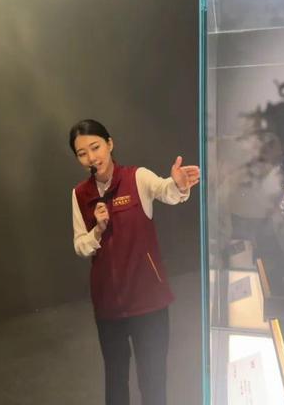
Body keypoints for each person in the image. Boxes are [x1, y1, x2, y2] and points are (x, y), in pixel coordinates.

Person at [69, 119, 200, 405]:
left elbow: (166, 190)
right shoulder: (80, 194)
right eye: (82, 153)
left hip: (148, 301)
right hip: (109, 303)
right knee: (115, 379)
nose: (91, 157)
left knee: (153, 379)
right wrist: (97, 230)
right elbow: (80, 245)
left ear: (110, 144)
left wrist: (179, 185)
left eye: (95, 147)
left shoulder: (137, 177)